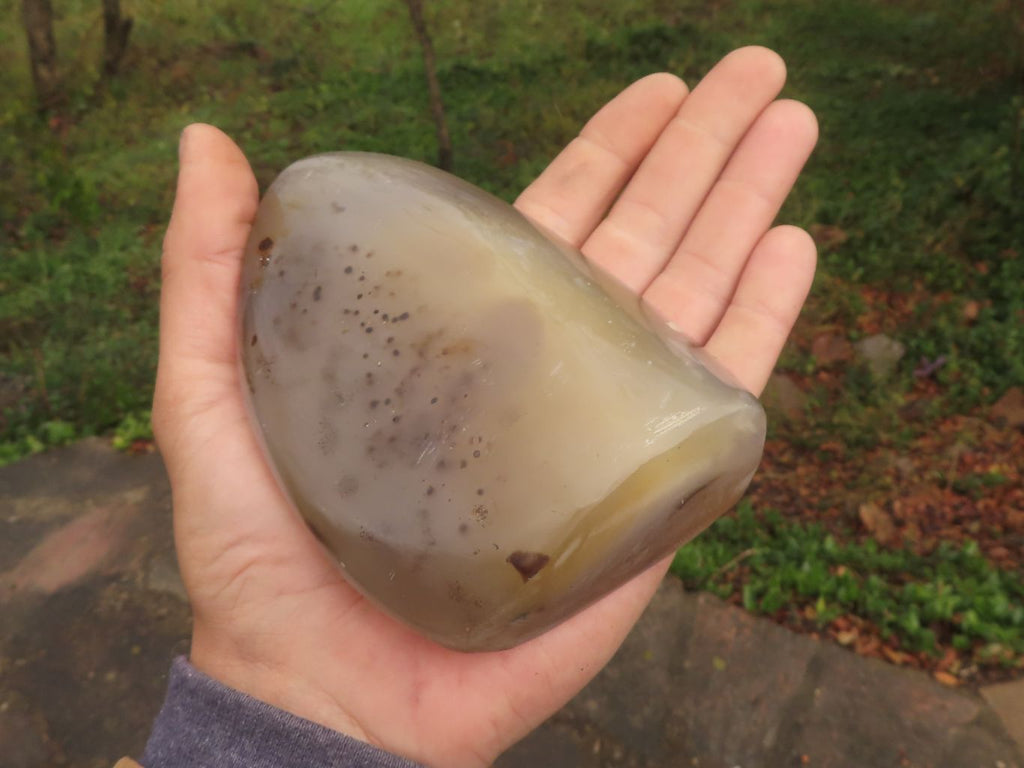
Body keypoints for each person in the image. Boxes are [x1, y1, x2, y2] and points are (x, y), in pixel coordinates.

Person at [129, 46, 818, 768]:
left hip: (581, 502)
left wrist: (270, 723)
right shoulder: (325, 232)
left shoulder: (331, 221)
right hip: (500, 563)